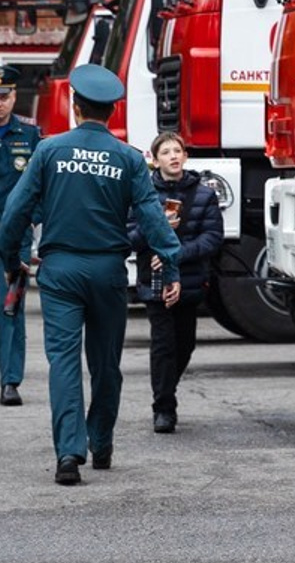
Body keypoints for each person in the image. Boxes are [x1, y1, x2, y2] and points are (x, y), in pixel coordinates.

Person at [0, 64, 181, 486]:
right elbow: (154, 217)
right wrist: (169, 264)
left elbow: (15, 213)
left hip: (60, 270)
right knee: (105, 364)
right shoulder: (129, 158)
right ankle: (101, 443)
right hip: (107, 272)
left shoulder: (48, 150)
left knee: (63, 363)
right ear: (112, 113)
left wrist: (12, 257)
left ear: (75, 108)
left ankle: (68, 454)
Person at [129, 131, 223, 433]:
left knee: (185, 344)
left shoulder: (204, 195)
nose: (173, 156)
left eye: (178, 150)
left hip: (190, 279)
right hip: (154, 280)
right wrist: (154, 227)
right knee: (163, 345)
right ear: (155, 160)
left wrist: (176, 255)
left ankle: (167, 385)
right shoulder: (141, 194)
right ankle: (164, 408)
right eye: (166, 152)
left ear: (185, 156)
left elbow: (212, 238)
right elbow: (128, 237)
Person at [0, 64, 40, 407]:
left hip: (16, 236)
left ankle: (10, 380)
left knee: (11, 306)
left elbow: (43, 187)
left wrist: (31, 221)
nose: (0, 103)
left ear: (14, 96)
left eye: (4, 95)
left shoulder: (29, 135)